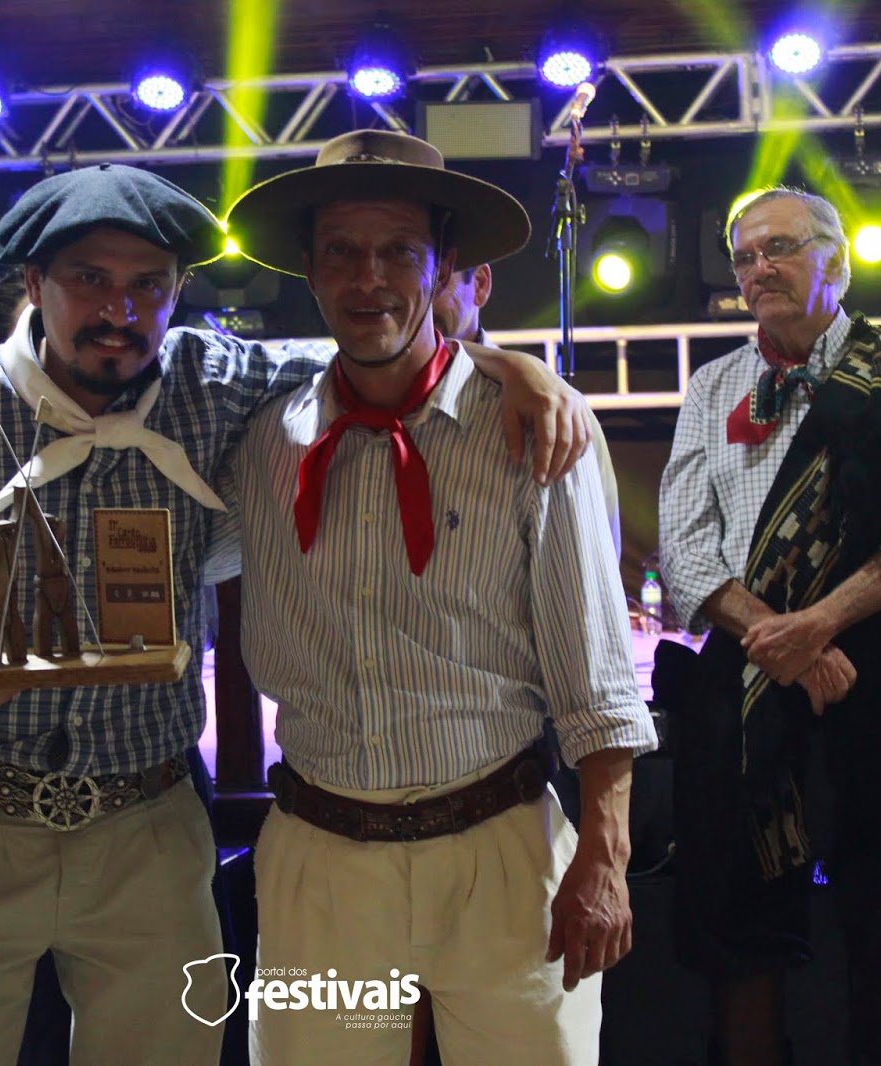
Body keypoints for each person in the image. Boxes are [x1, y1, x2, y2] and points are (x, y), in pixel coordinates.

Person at [0, 161, 596, 1065]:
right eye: (90, 280)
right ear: (34, 283)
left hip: (146, 827)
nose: (120, 310)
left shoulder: (213, 380)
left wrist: (513, 365)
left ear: (178, 292)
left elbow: (386, 355)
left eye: (148, 285)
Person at [215, 129, 658, 1065]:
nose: (368, 277)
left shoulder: (535, 431)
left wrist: (606, 856)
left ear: (446, 266)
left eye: (399, 251)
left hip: (499, 849)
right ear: (309, 268)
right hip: (319, 858)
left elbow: (597, 674)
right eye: (341, 251)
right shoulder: (265, 444)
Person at [656, 187, 881, 1065]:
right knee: (739, 927)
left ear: (838, 259)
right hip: (747, 673)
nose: (759, 269)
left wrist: (820, 624)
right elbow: (684, 548)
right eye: (745, 257)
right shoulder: (713, 384)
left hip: (878, 675)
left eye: (780, 249)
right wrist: (780, 639)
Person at [433, 262, 621, 557]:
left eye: (438, 278)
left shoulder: (549, 406)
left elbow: (594, 563)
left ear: (480, 284)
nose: (416, 295)